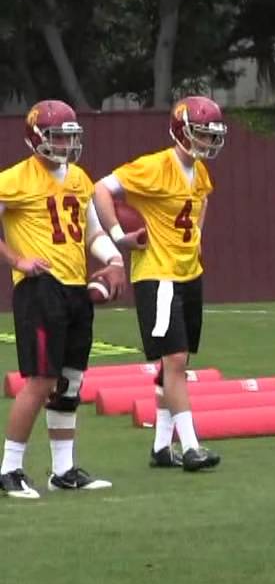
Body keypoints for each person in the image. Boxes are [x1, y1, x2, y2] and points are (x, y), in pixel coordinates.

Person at [92, 95, 226, 472]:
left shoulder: (199, 173)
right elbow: (102, 189)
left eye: (212, 135)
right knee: (176, 360)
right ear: (183, 131)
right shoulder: (155, 166)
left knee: (175, 363)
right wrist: (118, 236)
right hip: (158, 273)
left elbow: (201, 205)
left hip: (187, 273)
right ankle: (192, 446)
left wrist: (196, 239)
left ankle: (161, 447)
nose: (208, 142)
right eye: (202, 134)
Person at [0, 100, 126, 498]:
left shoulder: (80, 178)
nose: (67, 144)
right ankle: (9, 469)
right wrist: (17, 259)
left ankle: (63, 469)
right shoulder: (16, 178)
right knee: (40, 380)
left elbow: (91, 232)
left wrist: (115, 260)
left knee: (69, 382)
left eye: (71, 136)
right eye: (58, 136)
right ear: (37, 138)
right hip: (40, 287)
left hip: (75, 286)